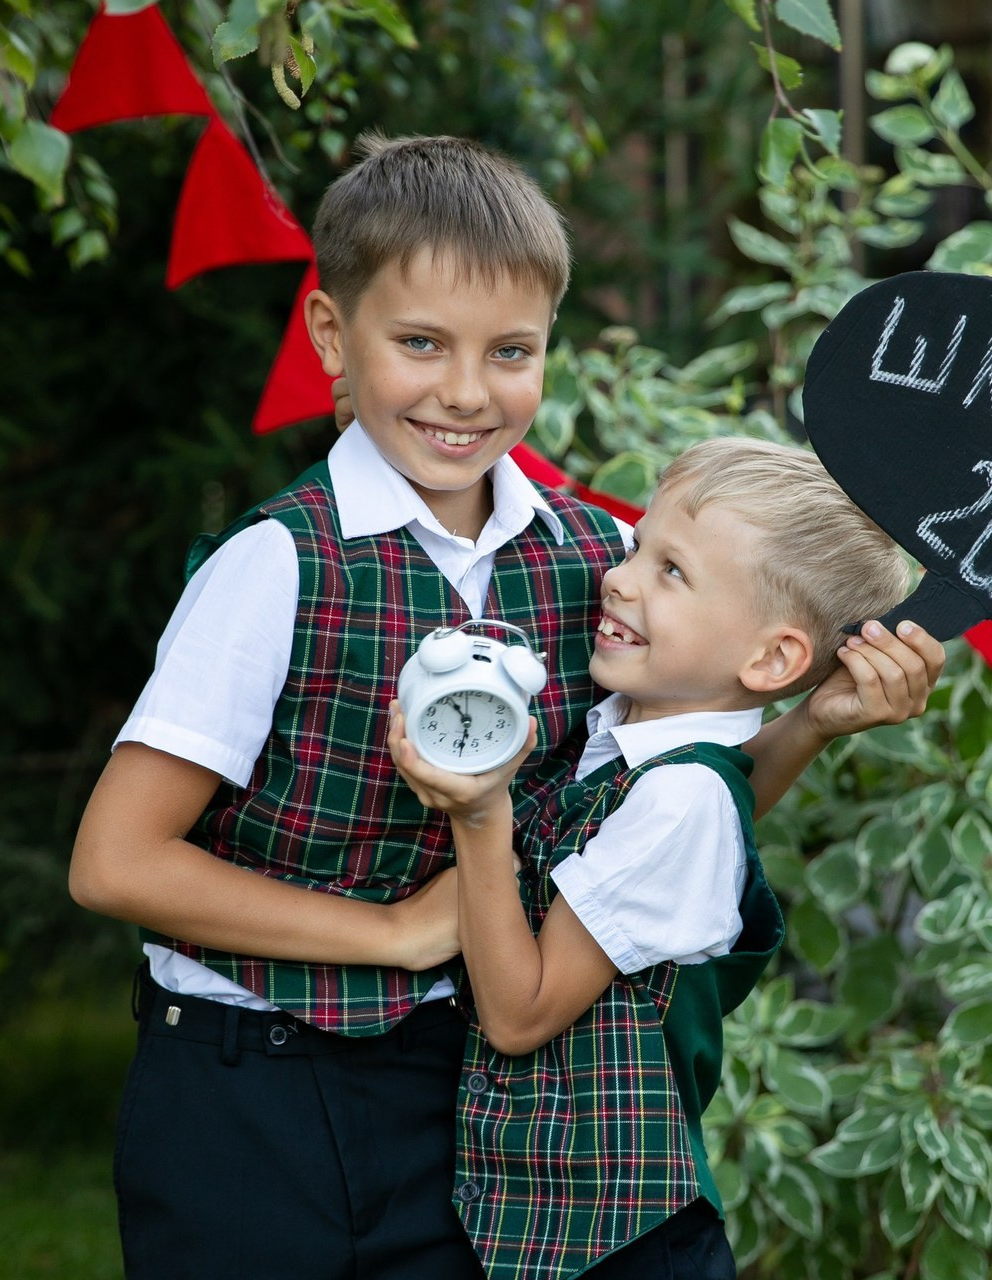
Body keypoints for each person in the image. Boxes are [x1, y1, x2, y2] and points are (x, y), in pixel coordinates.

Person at [70, 132, 944, 1280]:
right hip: (250, 1091)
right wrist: (388, 932)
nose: (467, 391)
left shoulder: (600, 561)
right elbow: (115, 861)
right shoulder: (279, 565)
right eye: (420, 343)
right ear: (332, 335)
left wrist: (806, 725)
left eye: (511, 350)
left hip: (466, 1100)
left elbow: (643, 806)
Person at [389, 436, 912, 1278]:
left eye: (673, 571)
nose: (621, 577)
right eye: (638, 545)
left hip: (615, 1245)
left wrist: (481, 816)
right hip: (564, 1223)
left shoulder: (679, 796)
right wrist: (812, 721)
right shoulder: (636, 743)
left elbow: (520, 1017)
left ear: (773, 658)